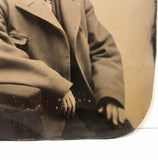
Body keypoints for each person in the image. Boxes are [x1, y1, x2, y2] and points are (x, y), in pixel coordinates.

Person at [0, 0, 130, 139]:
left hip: (89, 109)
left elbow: (103, 50)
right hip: (40, 119)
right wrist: (56, 85)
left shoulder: (79, 2)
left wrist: (109, 96)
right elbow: (4, 56)